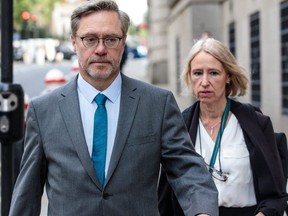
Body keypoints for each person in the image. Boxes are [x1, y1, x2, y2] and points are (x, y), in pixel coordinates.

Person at [9, 1, 218, 215]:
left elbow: (187, 170)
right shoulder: (43, 110)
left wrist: (202, 211)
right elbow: (28, 193)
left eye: (111, 39)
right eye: (90, 39)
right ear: (74, 42)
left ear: (123, 41)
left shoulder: (157, 104)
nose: (100, 49)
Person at [158, 38, 288, 216]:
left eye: (213, 73)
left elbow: (276, 196)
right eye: (197, 73)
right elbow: (165, 197)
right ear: (189, 76)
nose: (204, 82)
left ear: (228, 76)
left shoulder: (257, 123)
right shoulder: (179, 126)